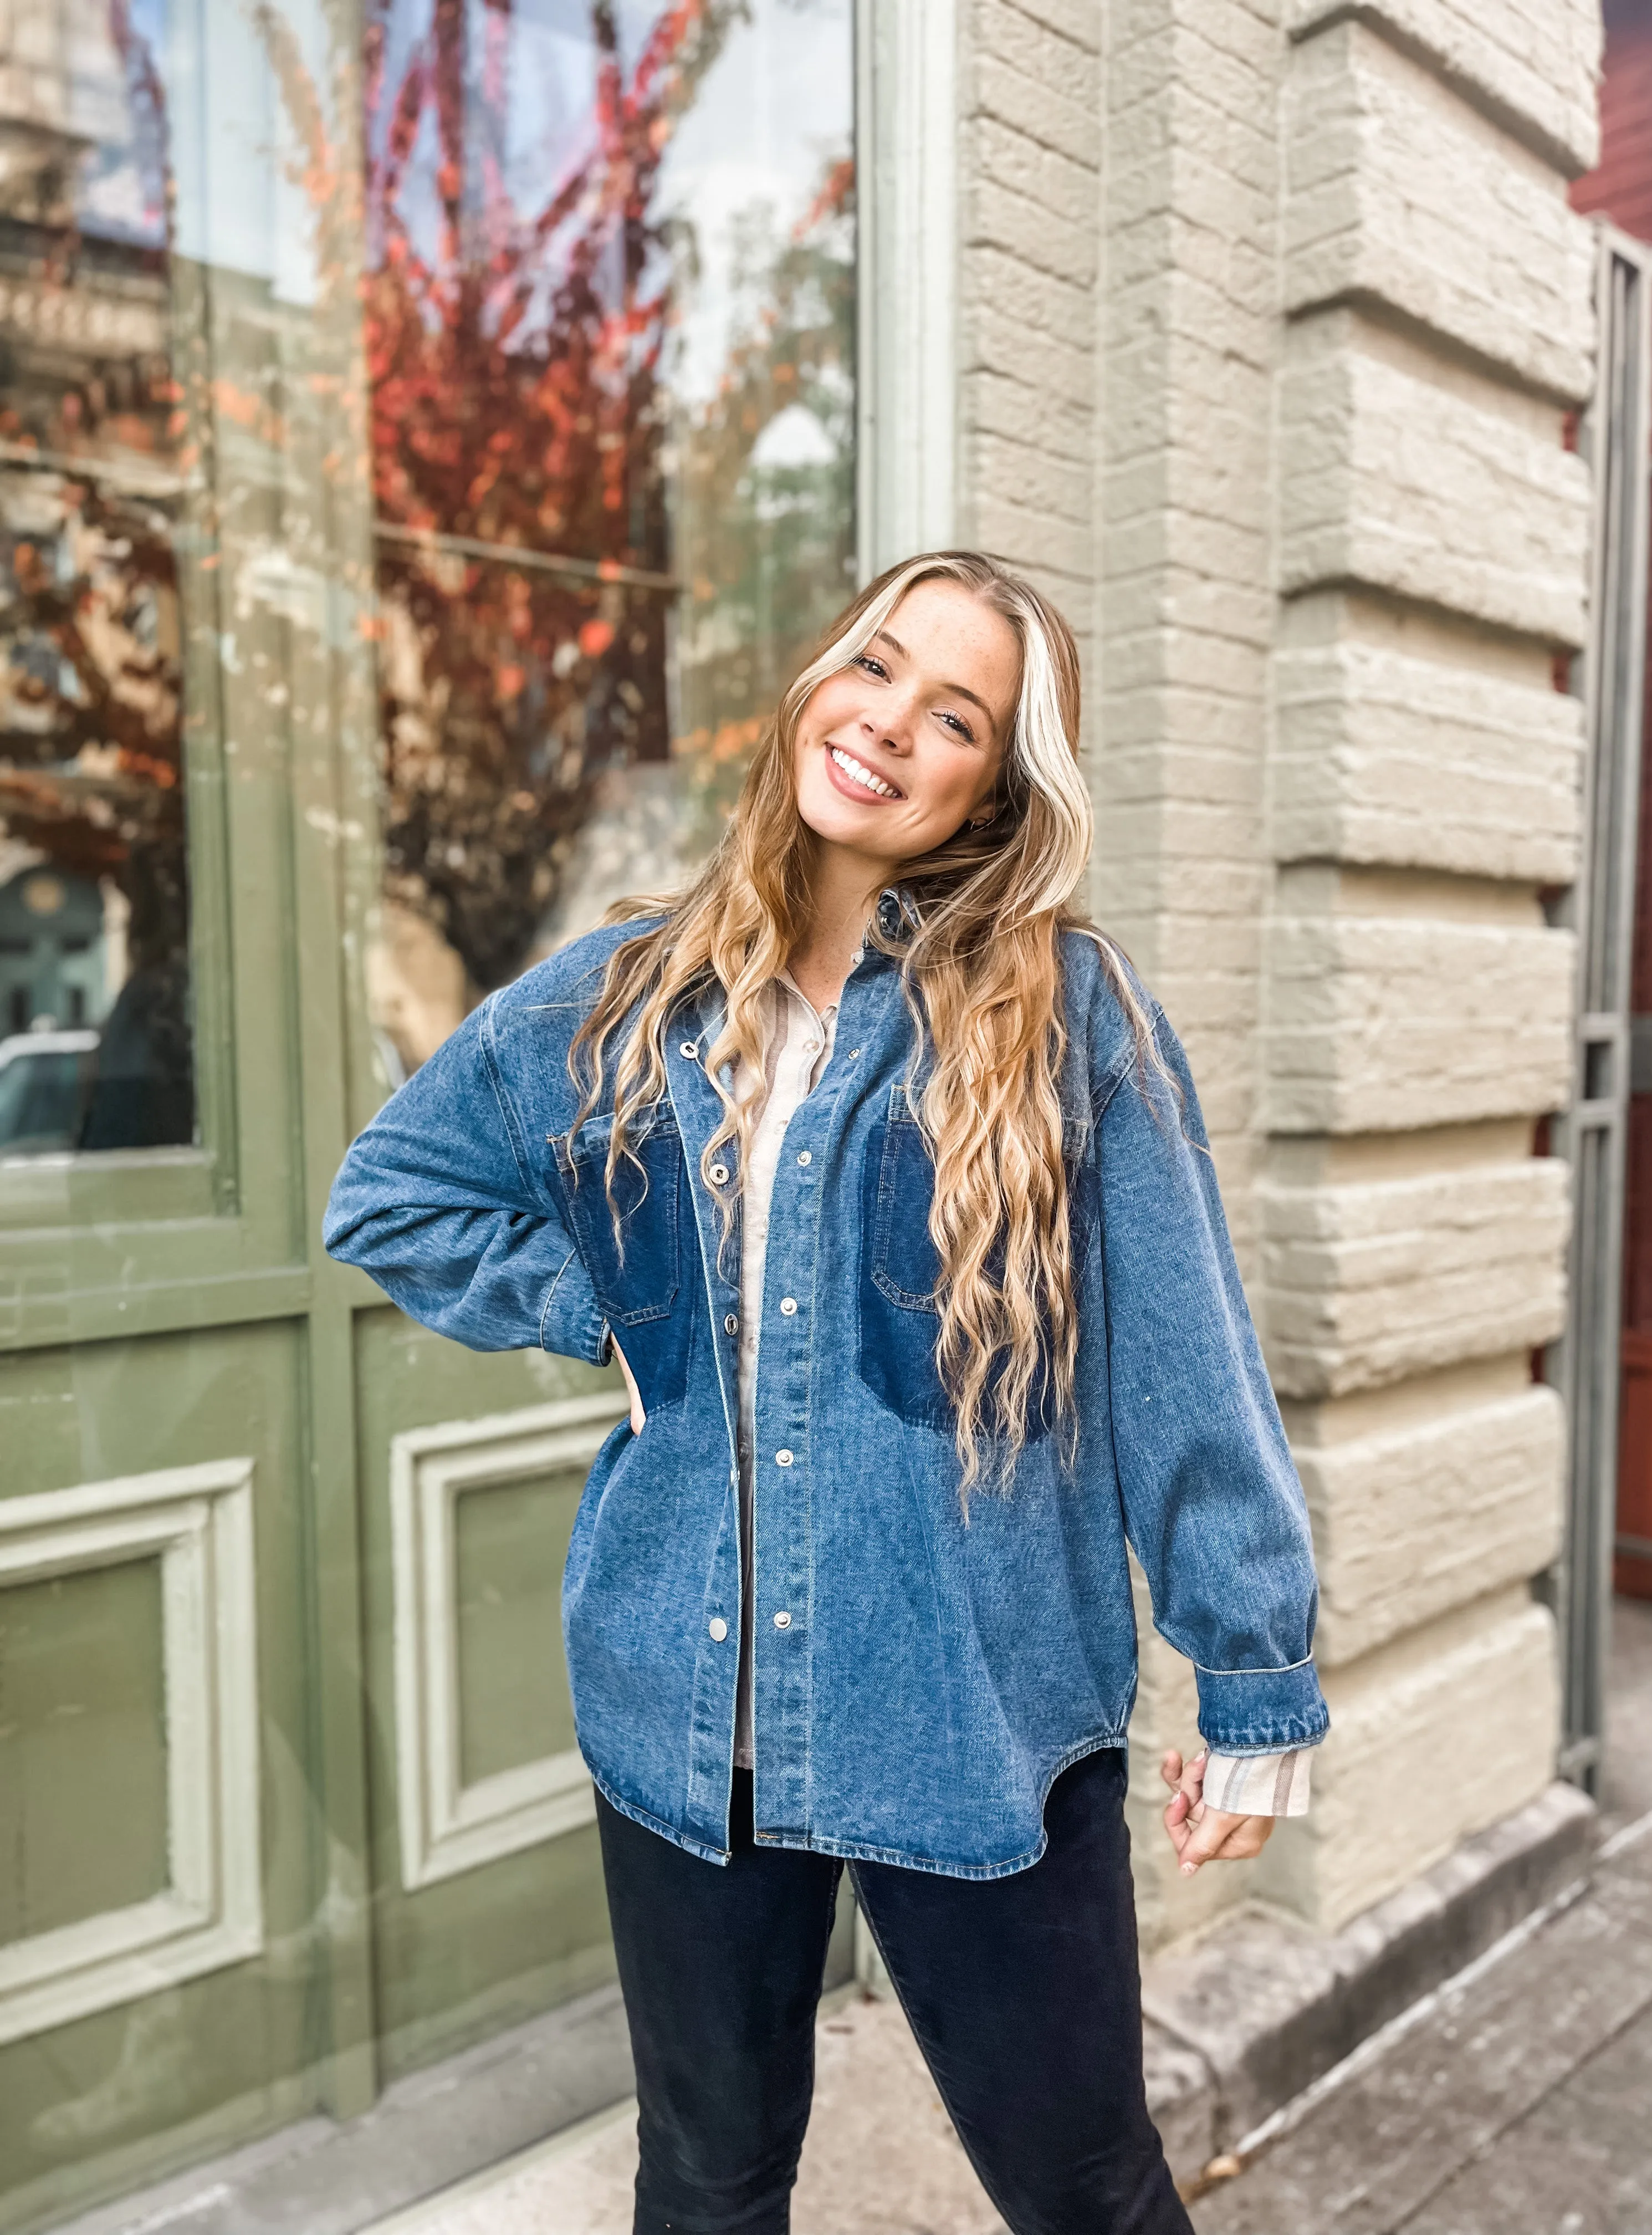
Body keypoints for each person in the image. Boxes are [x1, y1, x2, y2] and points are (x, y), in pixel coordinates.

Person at [325, 551, 1328, 2234]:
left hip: (976, 1711)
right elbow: (392, 1197)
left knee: (1084, 2187)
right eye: (874, 666)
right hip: (682, 1711)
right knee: (707, 2184)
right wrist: (612, 1319)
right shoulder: (617, 1001)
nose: (888, 723)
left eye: (955, 716)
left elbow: (1185, 1364)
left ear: (994, 791)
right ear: (813, 684)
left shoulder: (1072, 1021)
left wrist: (1253, 1673)